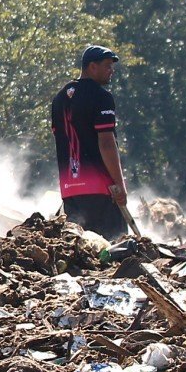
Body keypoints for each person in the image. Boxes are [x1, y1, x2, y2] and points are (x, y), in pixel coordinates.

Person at [50, 45, 129, 240]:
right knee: (113, 249)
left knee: (80, 251)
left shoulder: (60, 99)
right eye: (107, 66)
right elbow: (107, 143)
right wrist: (119, 185)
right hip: (101, 189)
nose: (112, 71)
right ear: (92, 67)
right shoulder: (101, 97)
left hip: (70, 190)